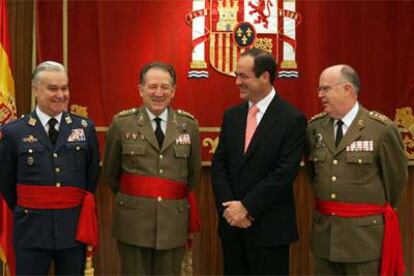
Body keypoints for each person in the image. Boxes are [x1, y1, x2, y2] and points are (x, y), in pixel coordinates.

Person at [211, 48, 307, 275]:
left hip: (269, 230)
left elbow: (283, 173)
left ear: (265, 76)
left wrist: (247, 208)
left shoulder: (292, 119)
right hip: (233, 228)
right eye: (236, 75)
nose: (236, 82)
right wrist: (231, 211)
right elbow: (219, 165)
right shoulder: (231, 115)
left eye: (243, 76)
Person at [0, 61, 100, 275]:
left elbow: (91, 177)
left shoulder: (85, 128)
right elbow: (6, 182)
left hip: (72, 230)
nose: (60, 95)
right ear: (36, 89)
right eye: (52, 88)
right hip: (31, 230)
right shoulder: (14, 132)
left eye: (64, 88)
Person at [307, 64, 408, 275]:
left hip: (363, 240)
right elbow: (313, 175)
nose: (320, 95)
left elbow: (395, 183)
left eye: (326, 89)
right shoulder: (314, 128)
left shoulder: (380, 129)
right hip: (325, 237)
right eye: (319, 89)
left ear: (347, 89)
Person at [102, 61, 201, 275]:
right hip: (133, 221)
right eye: (152, 86)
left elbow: (193, 176)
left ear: (173, 91)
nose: (158, 93)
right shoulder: (121, 124)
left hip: (172, 222)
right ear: (141, 90)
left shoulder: (188, 125)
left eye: (165, 87)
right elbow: (111, 174)